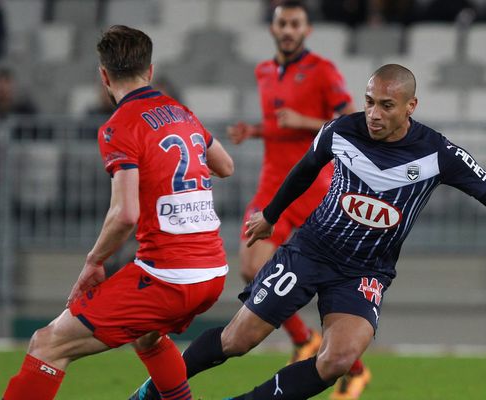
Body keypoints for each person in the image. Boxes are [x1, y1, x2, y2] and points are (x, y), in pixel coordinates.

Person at [137, 63, 486, 400]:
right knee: (237, 340)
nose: (374, 113)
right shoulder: (339, 131)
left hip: (365, 271)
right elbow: (304, 170)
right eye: (369, 102)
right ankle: (150, 393)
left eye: (387, 105)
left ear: (410, 106)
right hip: (310, 251)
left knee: (338, 360)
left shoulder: (439, 154)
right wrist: (272, 216)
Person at [130, 1, 371, 399]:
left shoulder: (323, 71)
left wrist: (304, 122)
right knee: (250, 267)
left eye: (295, 24)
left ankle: (349, 365)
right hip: (273, 185)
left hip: (316, 188)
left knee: (318, 280)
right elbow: (282, 126)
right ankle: (305, 340)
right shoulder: (264, 71)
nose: (288, 31)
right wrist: (256, 132)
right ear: (273, 30)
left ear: (306, 30)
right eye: (282, 24)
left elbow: (351, 118)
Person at [2, 25, 234, 400]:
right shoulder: (181, 112)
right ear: (151, 71)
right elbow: (225, 166)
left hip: (169, 277)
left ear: (104, 76)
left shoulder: (119, 126)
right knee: (147, 336)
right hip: (213, 272)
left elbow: (125, 214)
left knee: (47, 344)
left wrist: (94, 261)